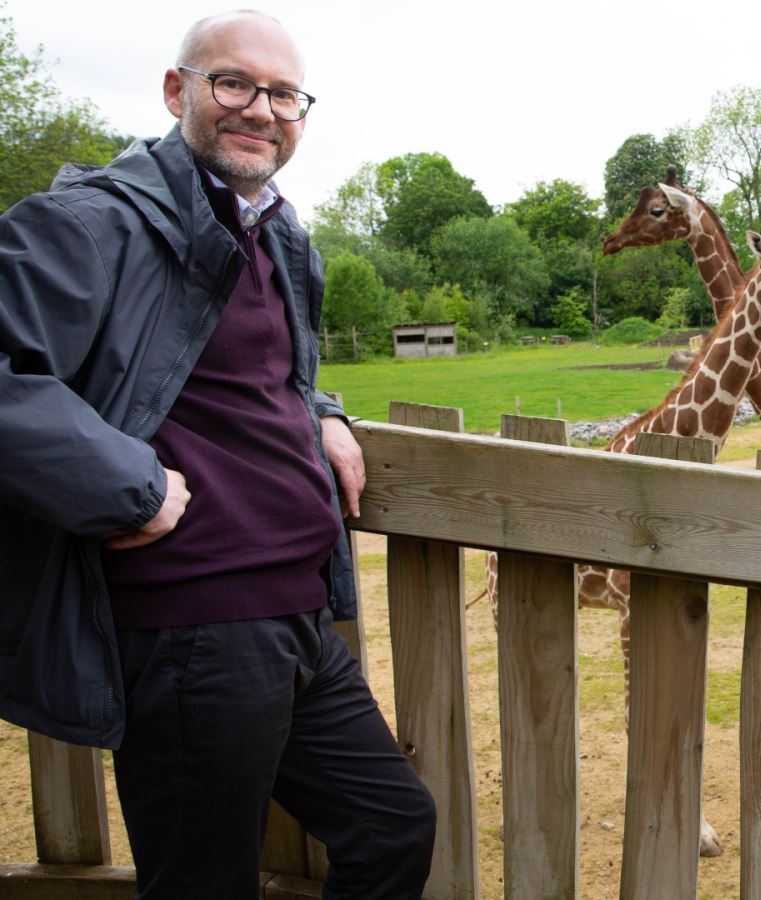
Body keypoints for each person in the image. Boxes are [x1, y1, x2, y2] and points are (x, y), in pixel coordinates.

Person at [0, 10, 435, 898]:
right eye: (233, 83)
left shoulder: (273, 231)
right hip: (191, 625)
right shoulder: (90, 224)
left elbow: (240, 366)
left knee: (394, 826)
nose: (261, 109)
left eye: (283, 94)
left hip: (296, 618)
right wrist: (125, 485)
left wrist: (323, 409)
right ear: (177, 91)